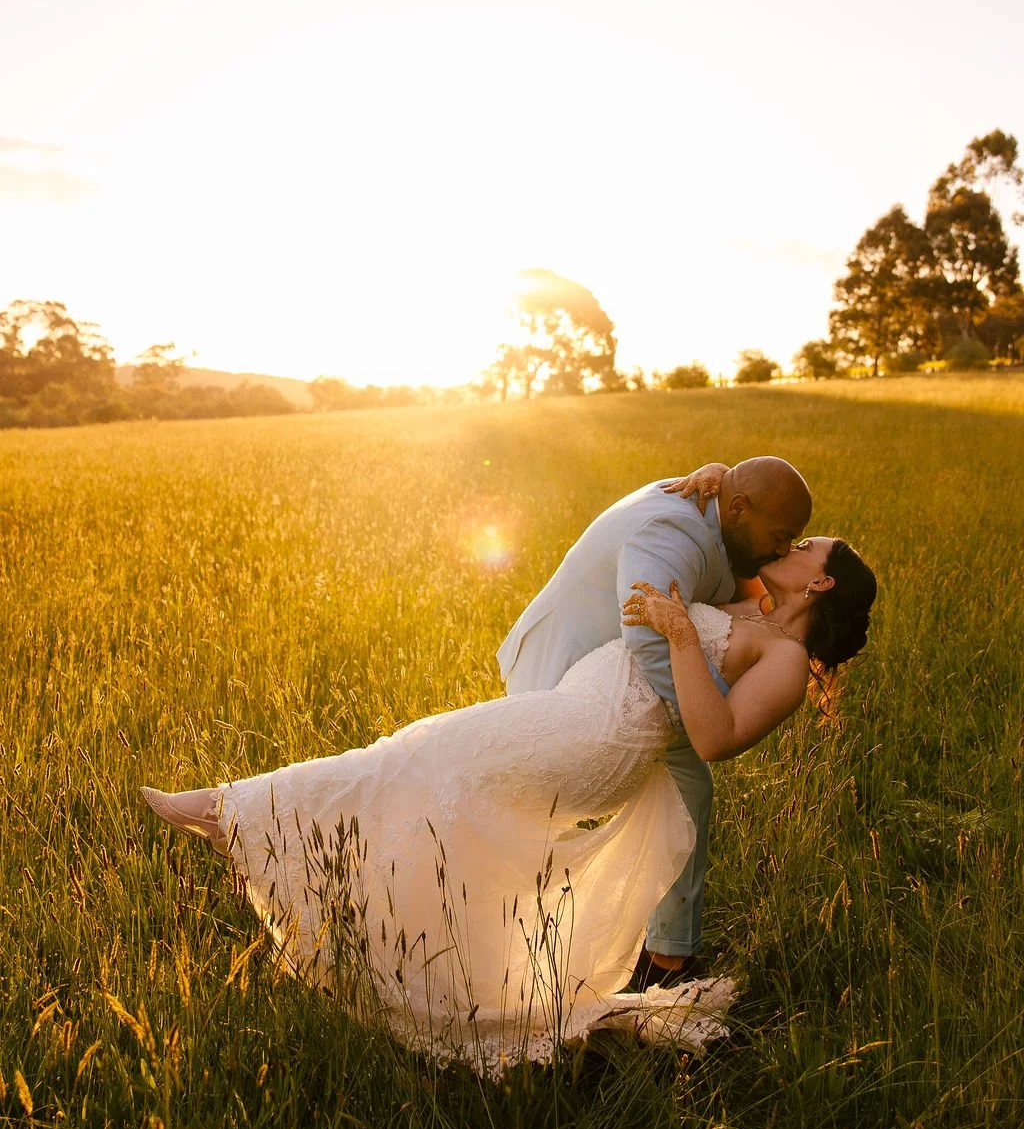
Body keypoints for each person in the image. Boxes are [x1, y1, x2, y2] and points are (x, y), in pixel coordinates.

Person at [142, 469, 877, 1074]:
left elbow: (715, 738)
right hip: (576, 711)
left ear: (818, 587)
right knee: (432, 782)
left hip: (593, 735)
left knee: (418, 761)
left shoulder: (783, 661)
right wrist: (711, 479)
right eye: (794, 533)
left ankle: (236, 814)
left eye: (808, 546)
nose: (794, 542)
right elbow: (725, 529)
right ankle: (422, 942)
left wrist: (680, 630)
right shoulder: (753, 601)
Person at [497, 457, 812, 991]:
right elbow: (646, 630)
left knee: (690, 790)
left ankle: (667, 956)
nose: (783, 551)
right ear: (737, 508)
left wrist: (718, 466)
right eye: (781, 537)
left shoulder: (720, 515)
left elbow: (732, 591)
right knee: (542, 814)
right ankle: (536, 946)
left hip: (612, 673)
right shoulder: (679, 527)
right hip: (563, 673)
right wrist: (699, 717)